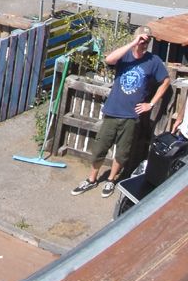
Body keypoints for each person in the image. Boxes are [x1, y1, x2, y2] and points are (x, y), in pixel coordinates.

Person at [72, 28, 172, 195]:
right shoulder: (124, 56)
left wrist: (151, 104)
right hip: (112, 111)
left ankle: (111, 180)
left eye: (147, 40)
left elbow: (166, 81)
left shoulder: (153, 61)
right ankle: (91, 179)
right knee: (99, 148)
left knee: (122, 153)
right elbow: (109, 59)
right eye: (142, 39)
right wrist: (134, 43)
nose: (144, 43)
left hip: (131, 116)